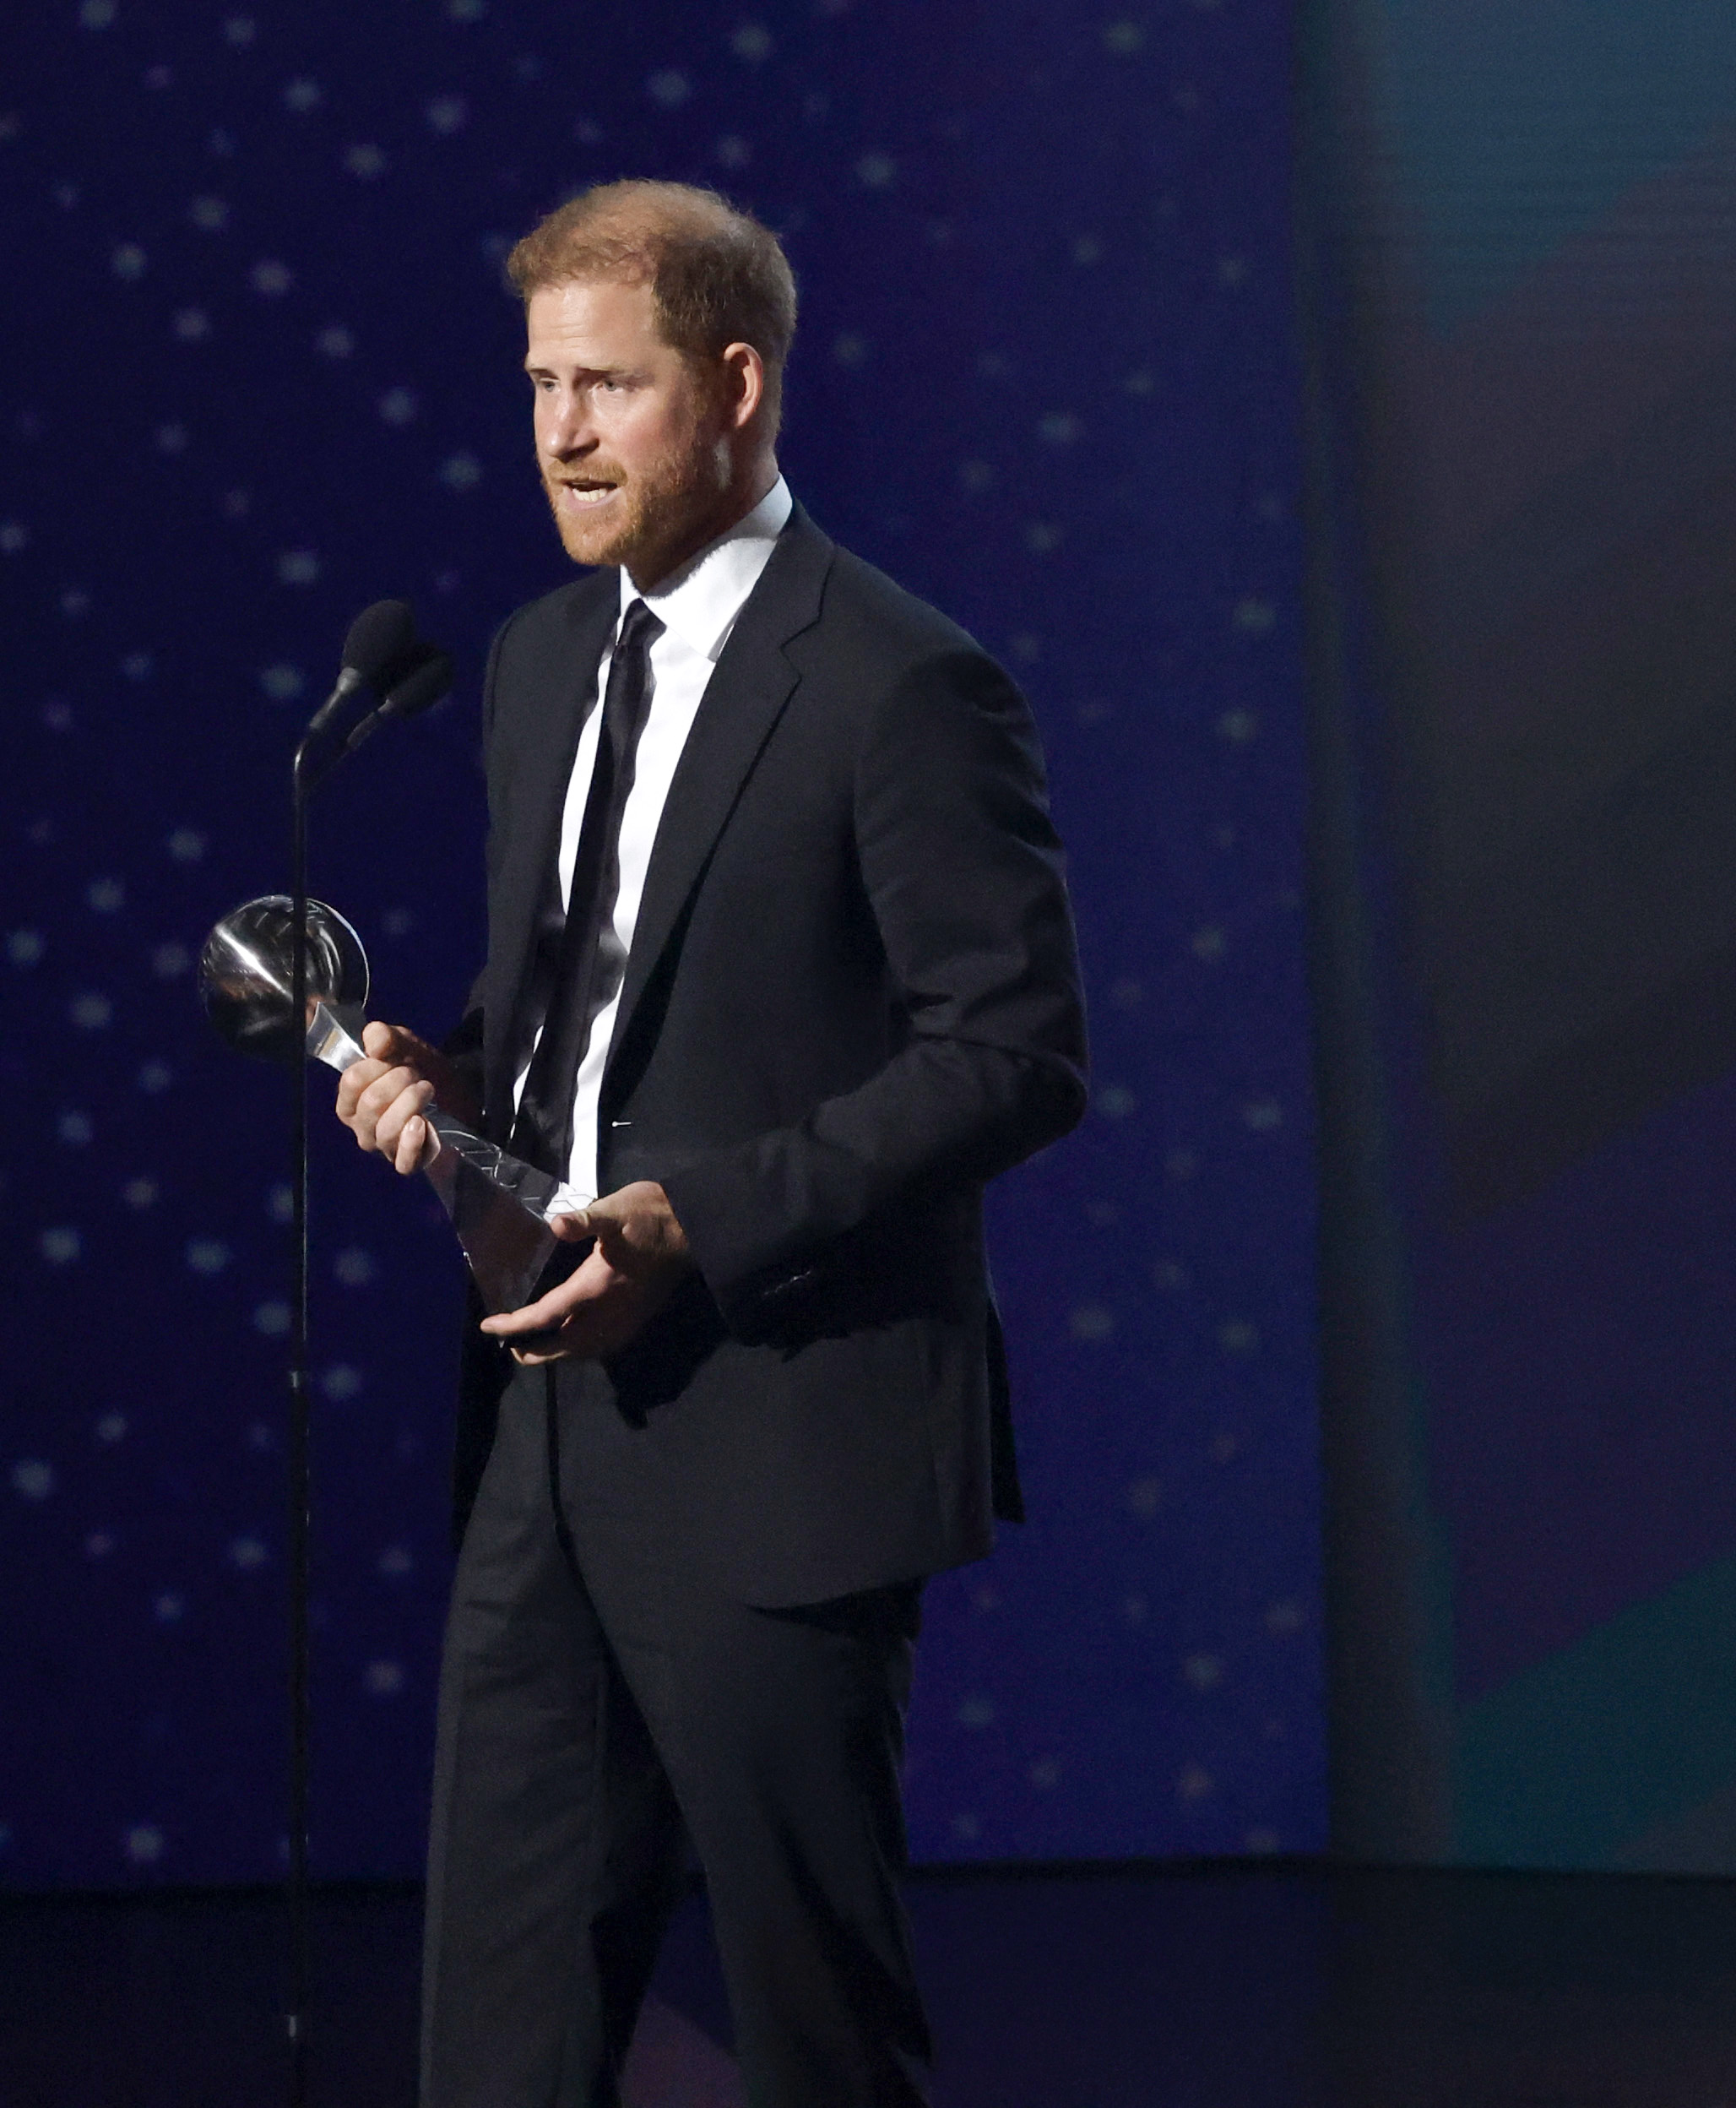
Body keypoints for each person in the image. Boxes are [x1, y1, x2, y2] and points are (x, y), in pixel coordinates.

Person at [333, 182, 1088, 2103]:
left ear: (736, 386)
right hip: (546, 1442)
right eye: (539, 388)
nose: (560, 435)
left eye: (609, 387)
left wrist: (695, 1223)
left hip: (783, 1438)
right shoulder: (532, 664)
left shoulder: (900, 683)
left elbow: (1011, 1054)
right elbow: (580, 1028)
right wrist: (451, 1079)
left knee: (816, 2025)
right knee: (501, 2019)